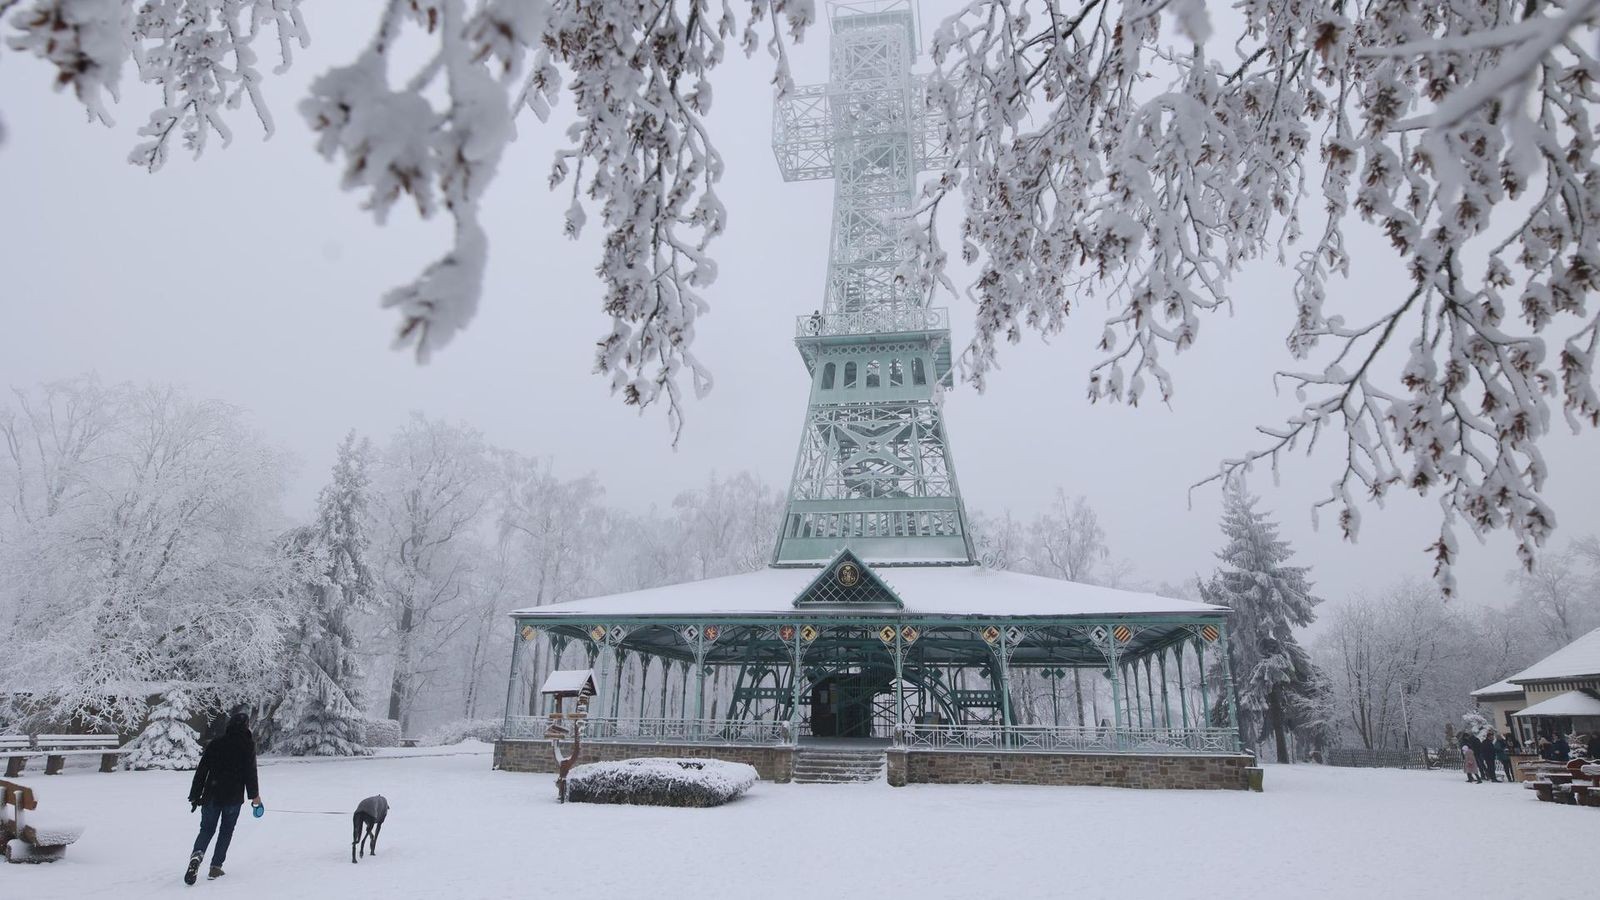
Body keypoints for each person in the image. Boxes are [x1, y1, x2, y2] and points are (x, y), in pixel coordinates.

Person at [185, 710, 263, 885]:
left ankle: (197, 854)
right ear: (245, 727)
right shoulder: (247, 745)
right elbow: (251, 772)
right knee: (226, 831)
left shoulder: (216, 743)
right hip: (233, 797)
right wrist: (255, 796)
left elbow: (202, 770)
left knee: (206, 829)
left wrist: (195, 794)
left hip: (212, 794)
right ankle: (216, 866)